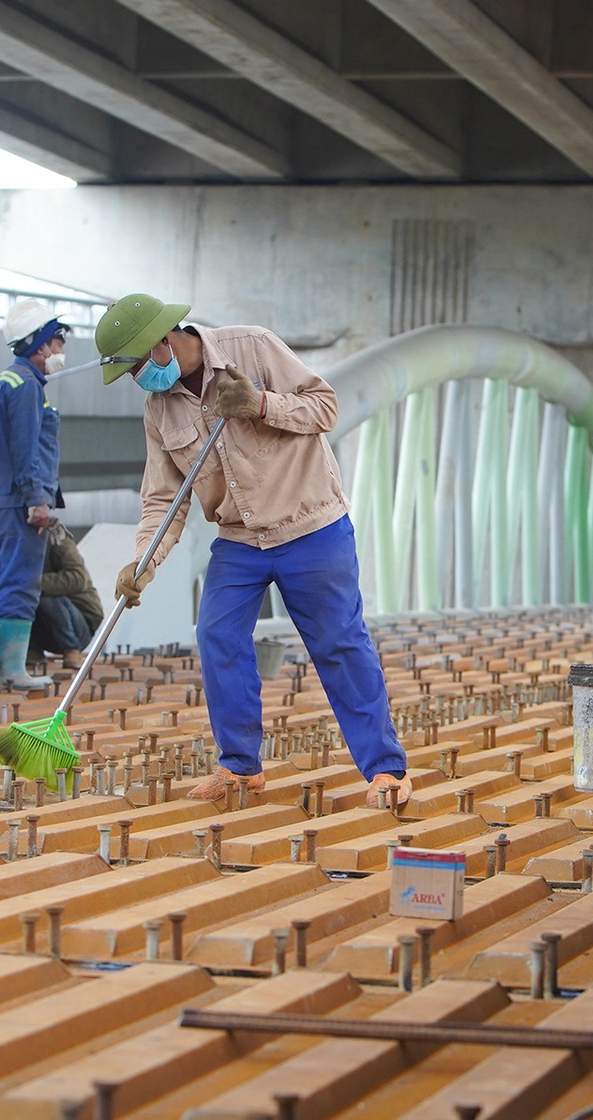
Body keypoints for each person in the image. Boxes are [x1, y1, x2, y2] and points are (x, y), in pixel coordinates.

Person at [94, 293, 409, 806]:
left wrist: (261, 405)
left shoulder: (254, 348)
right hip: (240, 539)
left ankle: (385, 770)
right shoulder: (159, 409)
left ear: (161, 344)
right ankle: (240, 767)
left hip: (310, 526)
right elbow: (163, 497)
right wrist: (143, 560)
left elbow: (326, 406)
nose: (135, 381)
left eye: (132, 368)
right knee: (216, 633)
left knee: (339, 644)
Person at [0, 300, 69, 690]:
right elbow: (26, 449)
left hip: (0, 500)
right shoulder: (27, 387)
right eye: (58, 342)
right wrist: (37, 499)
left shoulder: (2, 383)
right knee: (19, 583)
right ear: (40, 345)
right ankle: (14, 670)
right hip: (21, 502)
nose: (61, 351)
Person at [32, 520, 103, 665]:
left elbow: (77, 578)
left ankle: (71, 649)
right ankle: (31, 651)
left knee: (45, 596)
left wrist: (32, 582)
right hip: (45, 631)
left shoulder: (56, 537)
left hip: (79, 627)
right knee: (17, 599)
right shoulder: (15, 539)